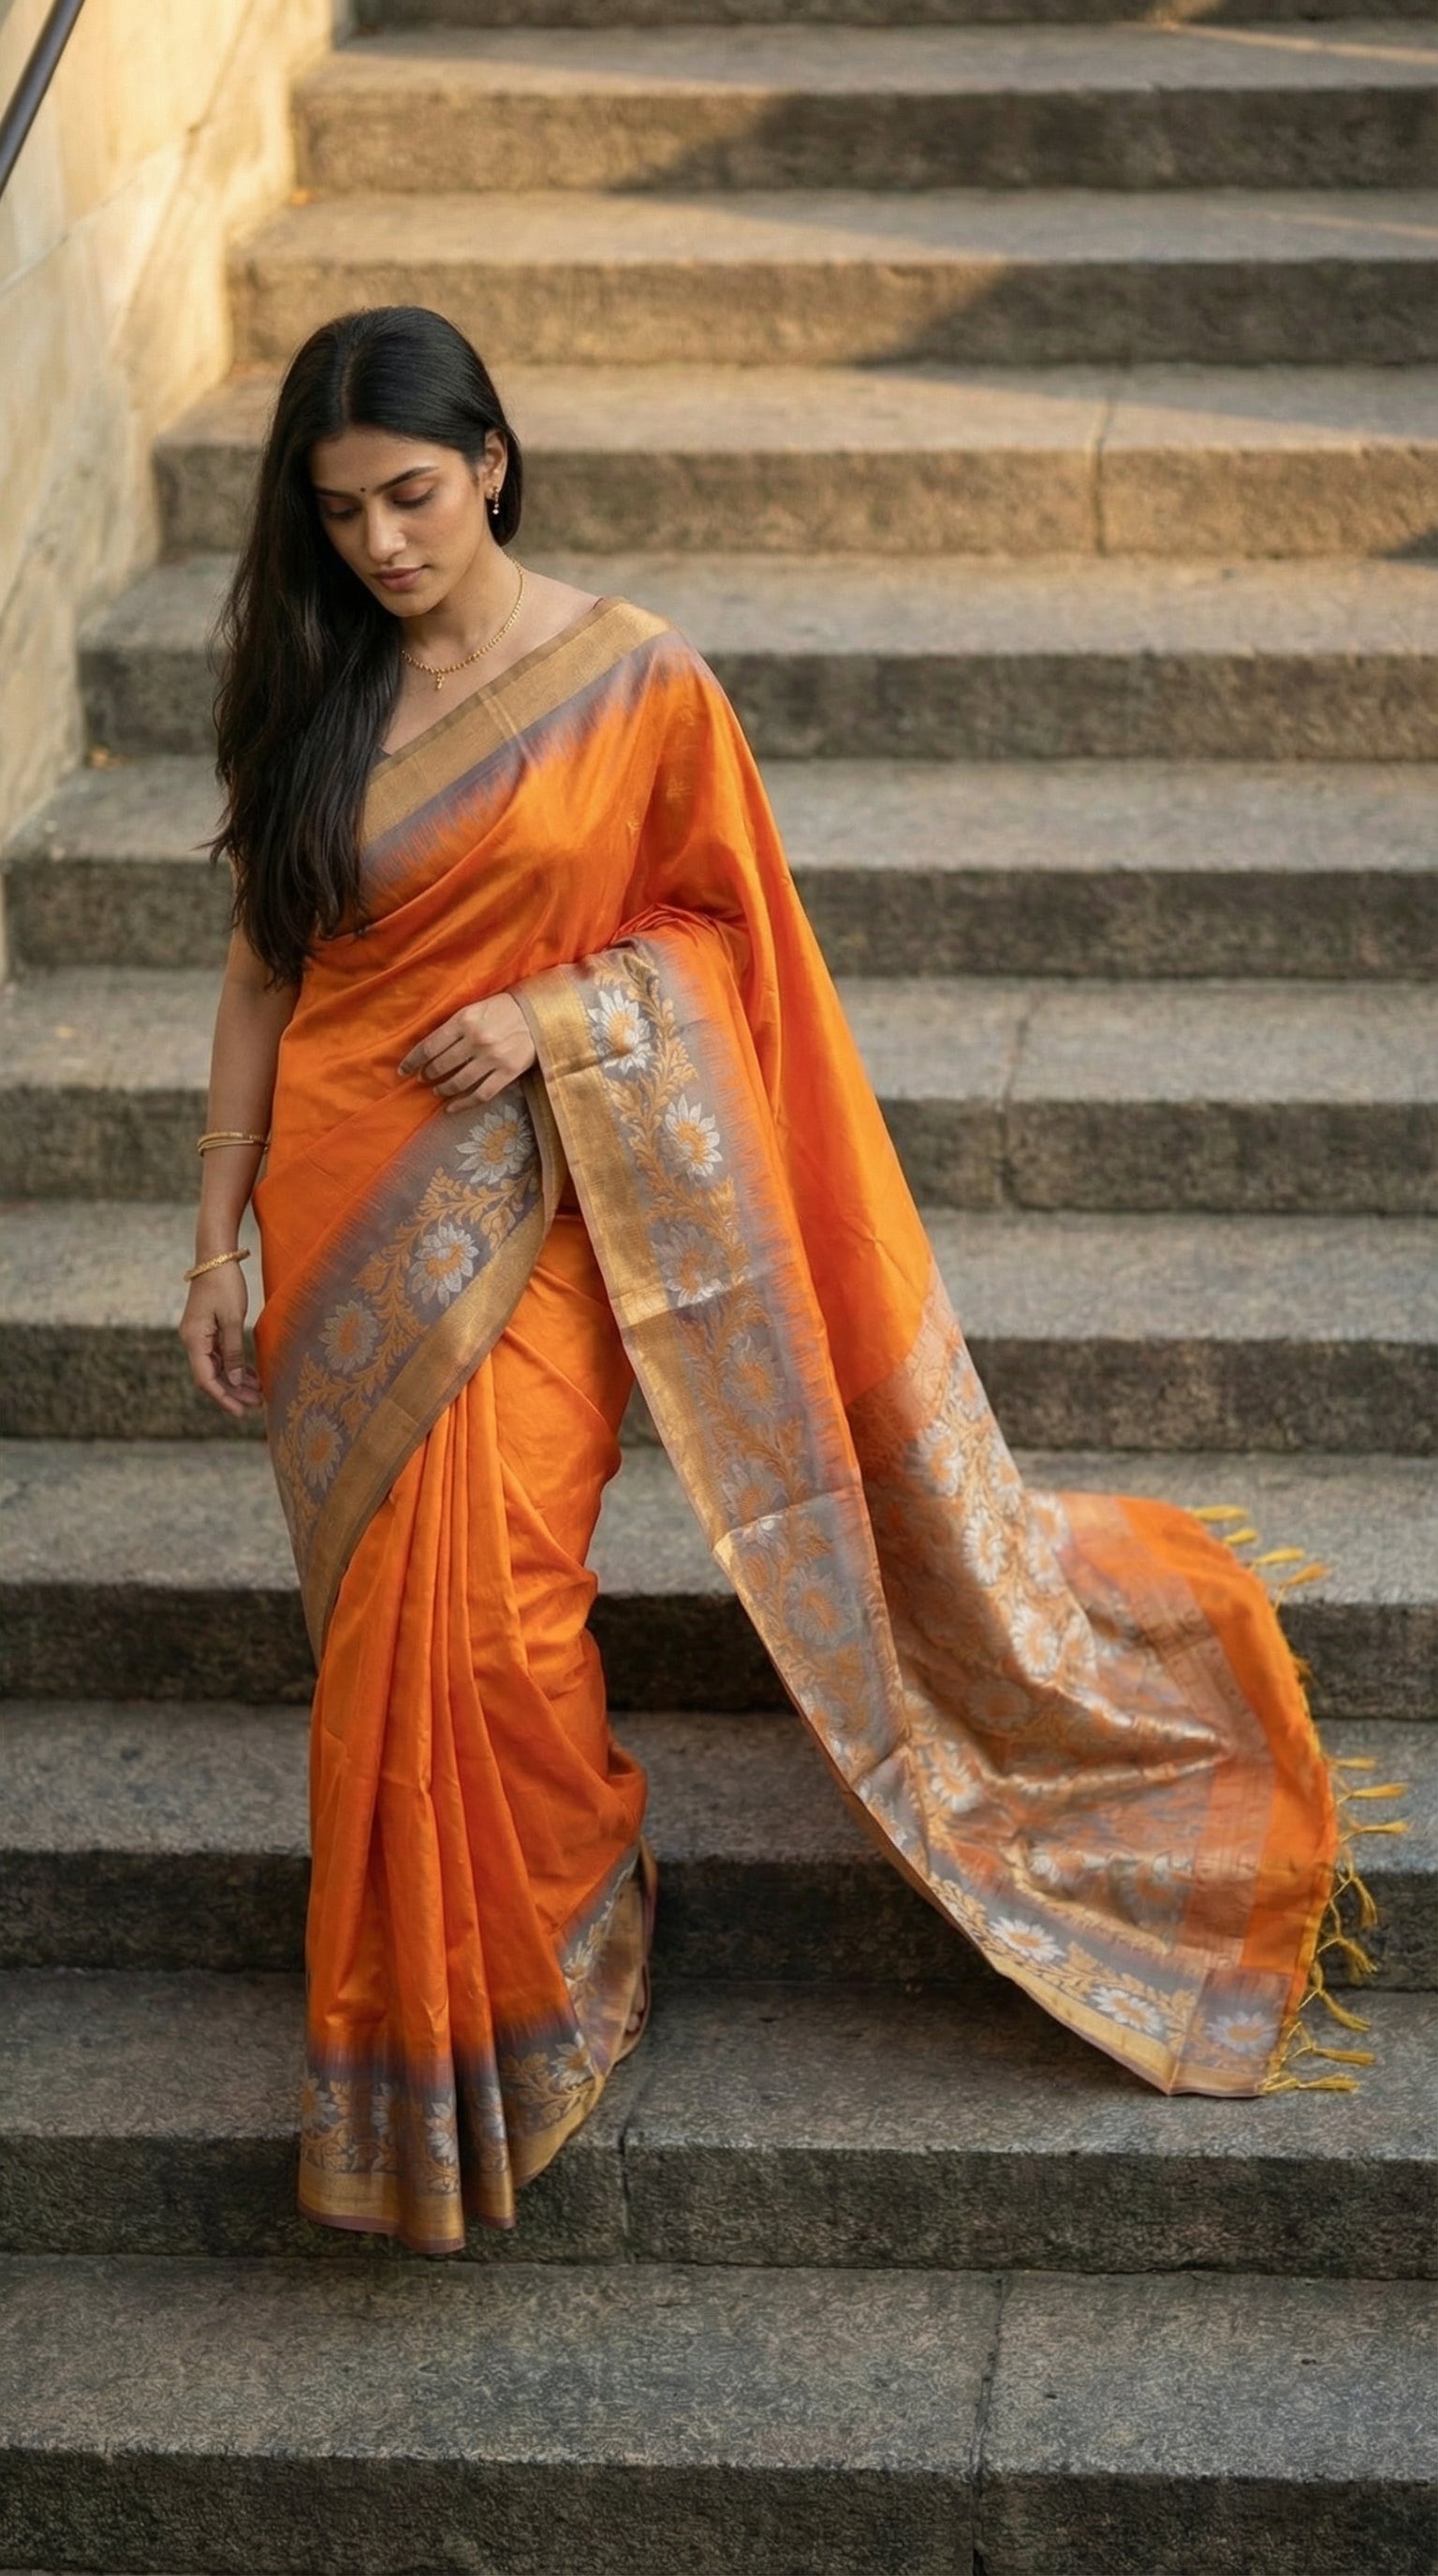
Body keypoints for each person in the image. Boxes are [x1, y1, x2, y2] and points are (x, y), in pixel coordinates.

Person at [181, 304, 1364, 2260]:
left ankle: (559, 1925)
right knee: (389, 1634)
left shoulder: (636, 684)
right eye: (339, 512)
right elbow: (256, 970)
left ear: (490, 461)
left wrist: (562, 1009)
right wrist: (214, 1232)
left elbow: (734, 958)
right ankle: (427, 2026)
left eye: (409, 495)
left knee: (487, 1616)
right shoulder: (312, 686)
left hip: (547, 1207)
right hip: (335, 1211)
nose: (382, 543)